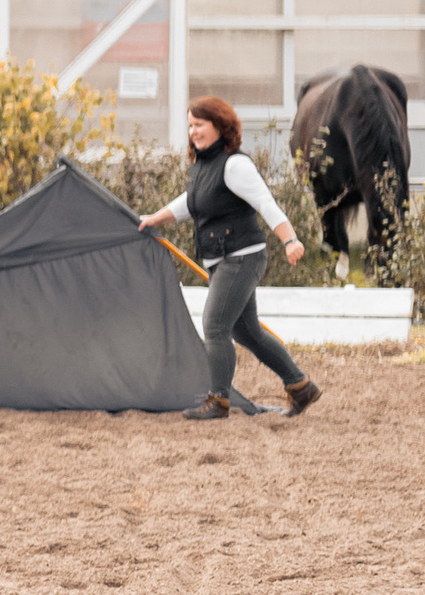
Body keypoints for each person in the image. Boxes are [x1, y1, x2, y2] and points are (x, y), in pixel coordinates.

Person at [137, 95, 321, 420]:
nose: (193, 131)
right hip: (224, 259)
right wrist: (155, 218)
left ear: (221, 126)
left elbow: (266, 203)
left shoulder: (235, 165)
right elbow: (189, 202)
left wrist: (289, 239)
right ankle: (301, 386)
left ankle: (218, 401)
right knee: (246, 332)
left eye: (200, 124)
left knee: (215, 324)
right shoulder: (203, 165)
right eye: (190, 125)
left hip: (241, 257)